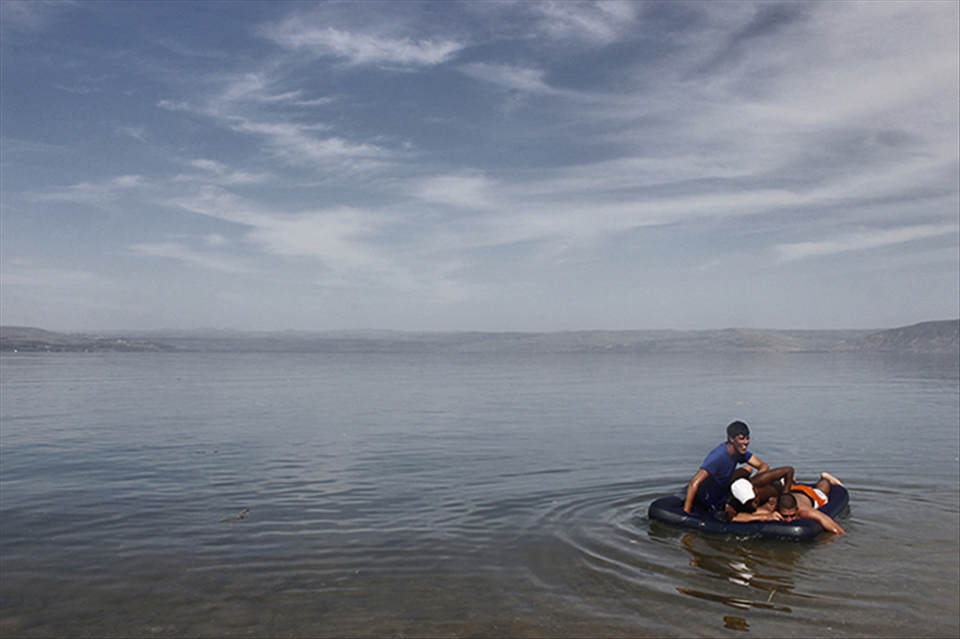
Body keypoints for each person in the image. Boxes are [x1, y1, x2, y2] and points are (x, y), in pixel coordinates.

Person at [683, 421, 770, 514]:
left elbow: (763, 466)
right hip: (709, 500)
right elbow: (694, 483)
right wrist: (686, 512)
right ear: (731, 439)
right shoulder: (718, 457)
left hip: (724, 491)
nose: (746, 442)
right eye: (741, 439)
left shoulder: (739, 452)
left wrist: (750, 486)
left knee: (747, 469)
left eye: (747, 438)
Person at [776, 472, 846, 535]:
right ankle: (791, 481)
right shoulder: (771, 506)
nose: (789, 520)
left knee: (822, 490)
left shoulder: (805, 511)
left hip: (809, 494)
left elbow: (838, 530)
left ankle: (825, 479)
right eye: (785, 516)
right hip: (791, 490)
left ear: (797, 509)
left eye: (793, 515)